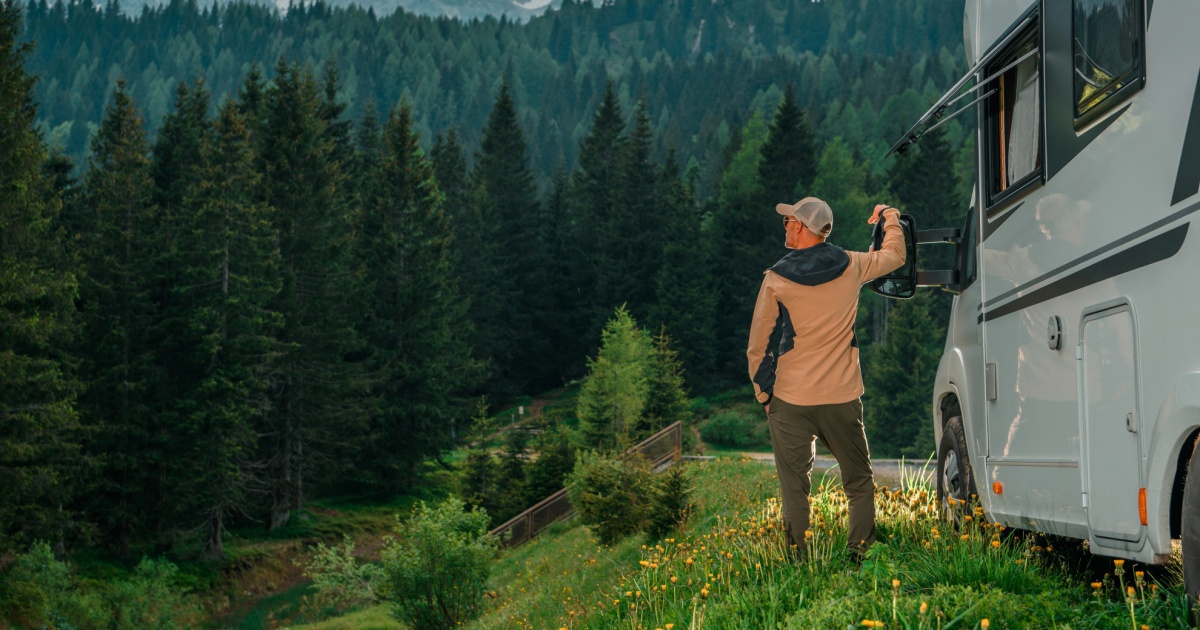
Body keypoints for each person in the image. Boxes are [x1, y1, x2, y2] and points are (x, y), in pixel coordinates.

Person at [746, 197, 906, 560]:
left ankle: (797, 563)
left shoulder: (776, 278)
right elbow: (896, 255)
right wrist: (889, 215)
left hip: (791, 398)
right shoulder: (854, 264)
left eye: (788, 221)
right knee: (859, 482)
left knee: (794, 489)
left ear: (802, 227)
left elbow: (758, 345)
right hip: (842, 396)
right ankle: (860, 558)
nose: (786, 226)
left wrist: (764, 394)